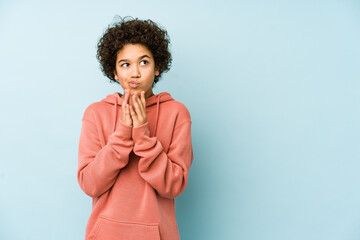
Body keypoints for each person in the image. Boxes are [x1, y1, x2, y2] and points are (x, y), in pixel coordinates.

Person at [77, 16, 194, 240]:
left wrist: (143, 136)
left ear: (157, 66)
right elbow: (91, 184)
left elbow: (174, 185)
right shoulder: (96, 113)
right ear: (114, 71)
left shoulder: (177, 113)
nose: (135, 73)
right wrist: (122, 134)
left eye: (144, 62)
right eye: (125, 64)